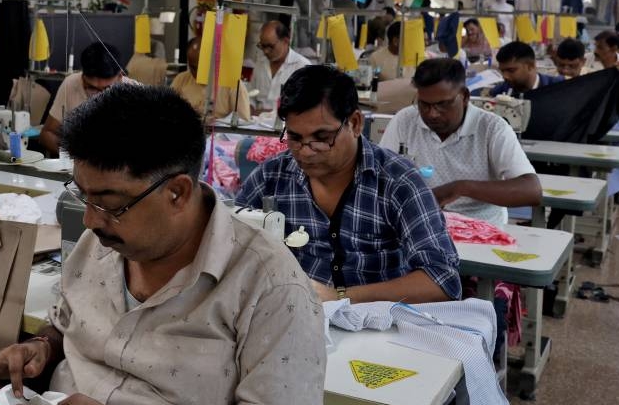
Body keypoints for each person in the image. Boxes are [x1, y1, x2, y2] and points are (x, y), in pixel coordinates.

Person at [0, 85, 325, 405]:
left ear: (178, 193)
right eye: (82, 196)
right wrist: (43, 348)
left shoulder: (271, 289)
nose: (89, 220)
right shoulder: (101, 243)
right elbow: (67, 322)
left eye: (109, 204)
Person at [236, 65, 461, 305]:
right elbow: (228, 243)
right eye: (295, 138)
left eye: (322, 138)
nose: (305, 151)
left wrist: (339, 297)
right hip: (294, 315)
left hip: (378, 328)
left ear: (354, 123)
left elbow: (443, 280)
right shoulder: (273, 175)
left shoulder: (398, 182)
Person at [379, 58, 542, 226]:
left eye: (443, 104)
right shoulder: (405, 120)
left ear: (464, 96)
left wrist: (461, 188)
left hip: (480, 229)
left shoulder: (492, 128)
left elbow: (531, 191)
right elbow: (379, 176)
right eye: (424, 105)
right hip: (421, 224)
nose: (432, 114)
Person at [41, 42, 134, 155]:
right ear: (82, 76)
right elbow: (47, 133)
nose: (99, 96)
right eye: (91, 88)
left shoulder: (135, 94)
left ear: (120, 76)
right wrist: (73, 157)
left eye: (107, 88)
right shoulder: (71, 83)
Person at [171, 37, 251, 120]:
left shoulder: (233, 84)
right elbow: (165, 110)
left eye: (203, 67)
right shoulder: (181, 80)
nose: (198, 73)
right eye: (193, 68)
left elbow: (243, 123)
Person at [250, 20, 310, 111]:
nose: (265, 51)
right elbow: (250, 95)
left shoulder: (302, 67)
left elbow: (304, 106)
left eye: (270, 46)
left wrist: (271, 113)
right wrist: (249, 108)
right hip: (255, 122)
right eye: (262, 46)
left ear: (286, 41)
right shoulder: (260, 63)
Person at [490, 41, 564, 96]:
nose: (505, 76)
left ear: (530, 66)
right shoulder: (499, 91)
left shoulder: (558, 88)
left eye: (511, 70)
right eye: (502, 71)